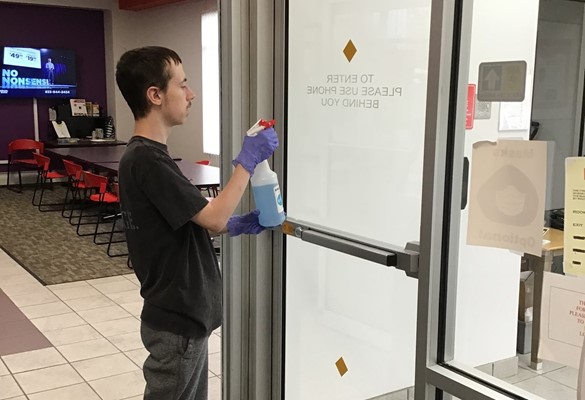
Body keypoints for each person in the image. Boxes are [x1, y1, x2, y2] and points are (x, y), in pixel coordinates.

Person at [115, 46, 279, 400]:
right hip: (177, 320)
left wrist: (236, 224)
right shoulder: (146, 159)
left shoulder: (149, 157)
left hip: (183, 318)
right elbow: (214, 217)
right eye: (183, 85)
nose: (191, 95)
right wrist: (247, 162)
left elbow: (200, 216)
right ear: (155, 95)